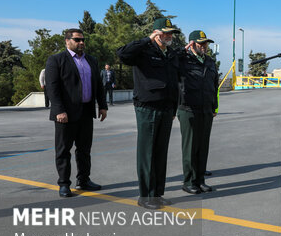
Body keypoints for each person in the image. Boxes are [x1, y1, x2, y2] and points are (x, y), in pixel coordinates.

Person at [117, 17, 180, 209]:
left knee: (160, 153)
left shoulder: (169, 53)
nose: (168, 36)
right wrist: (147, 39)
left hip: (166, 108)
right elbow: (122, 54)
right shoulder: (143, 51)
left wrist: (173, 108)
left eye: (170, 33)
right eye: (165, 32)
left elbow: (174, 82)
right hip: (148, 108)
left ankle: (157, 194)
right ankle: (145, 196)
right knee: (147, 153)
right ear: (156, 33)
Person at [45, 28, 107, 198]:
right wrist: (59, 110)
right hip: (65, 115)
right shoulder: (56, 60)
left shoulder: (91, 60)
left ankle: (84, 180)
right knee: (63, 150)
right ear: (67, 41)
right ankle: (64, 184)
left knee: (84, 149)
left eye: (83, 40)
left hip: (86, 112)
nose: (81, 43)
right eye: (77, 40)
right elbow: (52, 87)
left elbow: (99, 85)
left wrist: (103, 105)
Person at [177, 30, 219, 194]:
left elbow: (214, 85)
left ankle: (200, 180)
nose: (204, 46)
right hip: (188, 109)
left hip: (206, 109)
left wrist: (214, 106)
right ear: (192, 44)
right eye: (201, 43)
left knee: (203, 146)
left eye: (206, 43)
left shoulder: (209, 61)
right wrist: (182, 50)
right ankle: (188, 181)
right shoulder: (182, 60)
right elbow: (170, 59)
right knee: (190, 147)